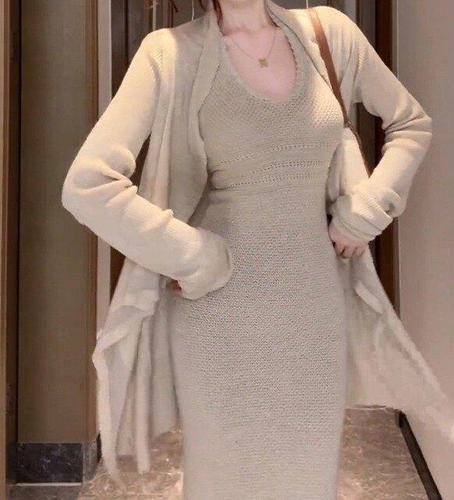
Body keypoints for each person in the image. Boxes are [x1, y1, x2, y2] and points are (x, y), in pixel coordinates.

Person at [62, 0, 433, 497]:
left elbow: (411, 124)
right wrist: (194, 255)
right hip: (219, 316)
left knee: (308, 475)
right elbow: (87, 184)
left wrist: (366, 209)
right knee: (226, 479)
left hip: (312, 308)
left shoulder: (330, 34)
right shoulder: (168, 53)